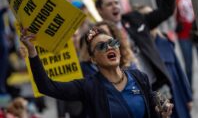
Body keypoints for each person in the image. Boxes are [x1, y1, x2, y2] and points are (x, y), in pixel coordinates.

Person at [20, 26, 173, 118]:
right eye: (101, 46)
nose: (109, 47)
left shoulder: (139, 77)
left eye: (112, 43)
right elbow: (47, 87)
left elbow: (152, 106)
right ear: (93, 59)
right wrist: (32, 52)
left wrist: (162, 110)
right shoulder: (89, 86)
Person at [95, 0, 177, 98]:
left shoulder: (135, 19)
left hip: (156, 85)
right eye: (109, 4)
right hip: (131, 93)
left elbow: (166, 10)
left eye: (116, 3)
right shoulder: (99, 36)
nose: (114, 6)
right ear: (100, 10)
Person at [175, 0, 198, 86]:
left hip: (196, 32)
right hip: (184, 35)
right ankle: (189, 90)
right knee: (188, 65)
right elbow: (174, 15)